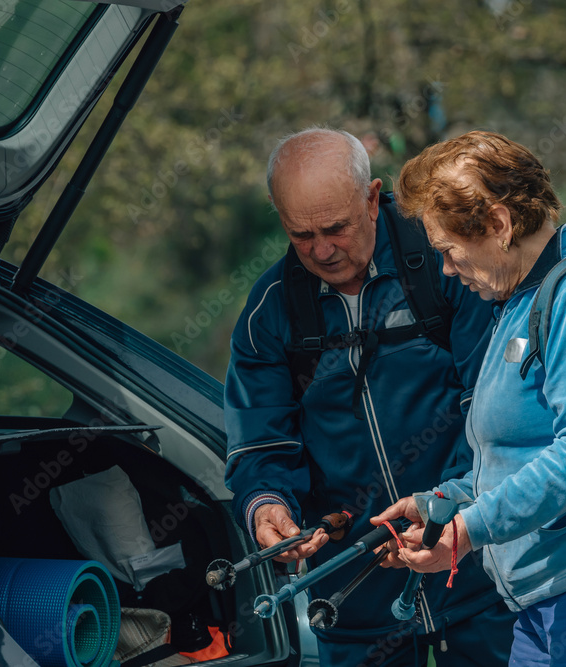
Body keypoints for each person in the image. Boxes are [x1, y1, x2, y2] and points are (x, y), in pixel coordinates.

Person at [374, 130, 566, 666]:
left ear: (498, 225)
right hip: (545, 590)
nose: (447, 269)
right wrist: (447, 502)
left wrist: (470, 531)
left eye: (449, 250)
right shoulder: (520, 302)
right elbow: (521, 453)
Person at [223, 128, 515, 666]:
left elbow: (495, 410)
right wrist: (267, 506)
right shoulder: (270, 313)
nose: (322, 250)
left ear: (373, 196)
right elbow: (258, 442)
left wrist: (445, 507)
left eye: (335, 228)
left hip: (482, 573)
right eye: (301, 235)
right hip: (354, 599)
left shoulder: (446, 262)